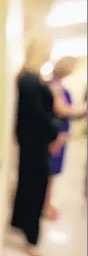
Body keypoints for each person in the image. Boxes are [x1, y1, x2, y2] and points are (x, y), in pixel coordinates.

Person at [11, 32, 61, 256]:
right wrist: (54, 133)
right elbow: (36, 116)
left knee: (27, 185)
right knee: (35, 188)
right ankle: (32, 238)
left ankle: (21, 225)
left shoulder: (30, 79)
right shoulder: (31, 80)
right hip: (35, 143)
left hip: (32, 142)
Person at [44, 56, 87, 220]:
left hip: (61, 135)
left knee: (53, 173)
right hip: (56, 136)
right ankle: (45, 205)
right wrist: (82, 109)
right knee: (50, 172)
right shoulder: (54, 86)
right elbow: (61, 110)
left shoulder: (59, 86)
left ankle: (47, 203)